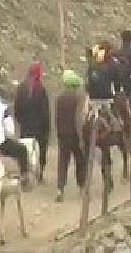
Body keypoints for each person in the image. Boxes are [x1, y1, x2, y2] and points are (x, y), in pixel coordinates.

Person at [54, 69, 87, 202]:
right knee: (80, 161)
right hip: (74, 134)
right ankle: (82, 187)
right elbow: (78, 119)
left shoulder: (59, 98)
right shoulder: (79, 98)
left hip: (63, 134)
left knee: (63, 162)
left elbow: (57, 118)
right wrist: (81, 138)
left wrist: (58, 132)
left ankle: (60, 189)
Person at [13, 61, 50, 181]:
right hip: (39, 126)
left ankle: (25, 173)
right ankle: (39, 174)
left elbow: (16, 108)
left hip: (25, 125)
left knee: (25, 148)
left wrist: (21, 121)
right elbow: (45, 111)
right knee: (40, 149)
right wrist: (46, 126)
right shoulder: (41, 89)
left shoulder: (21, 88)